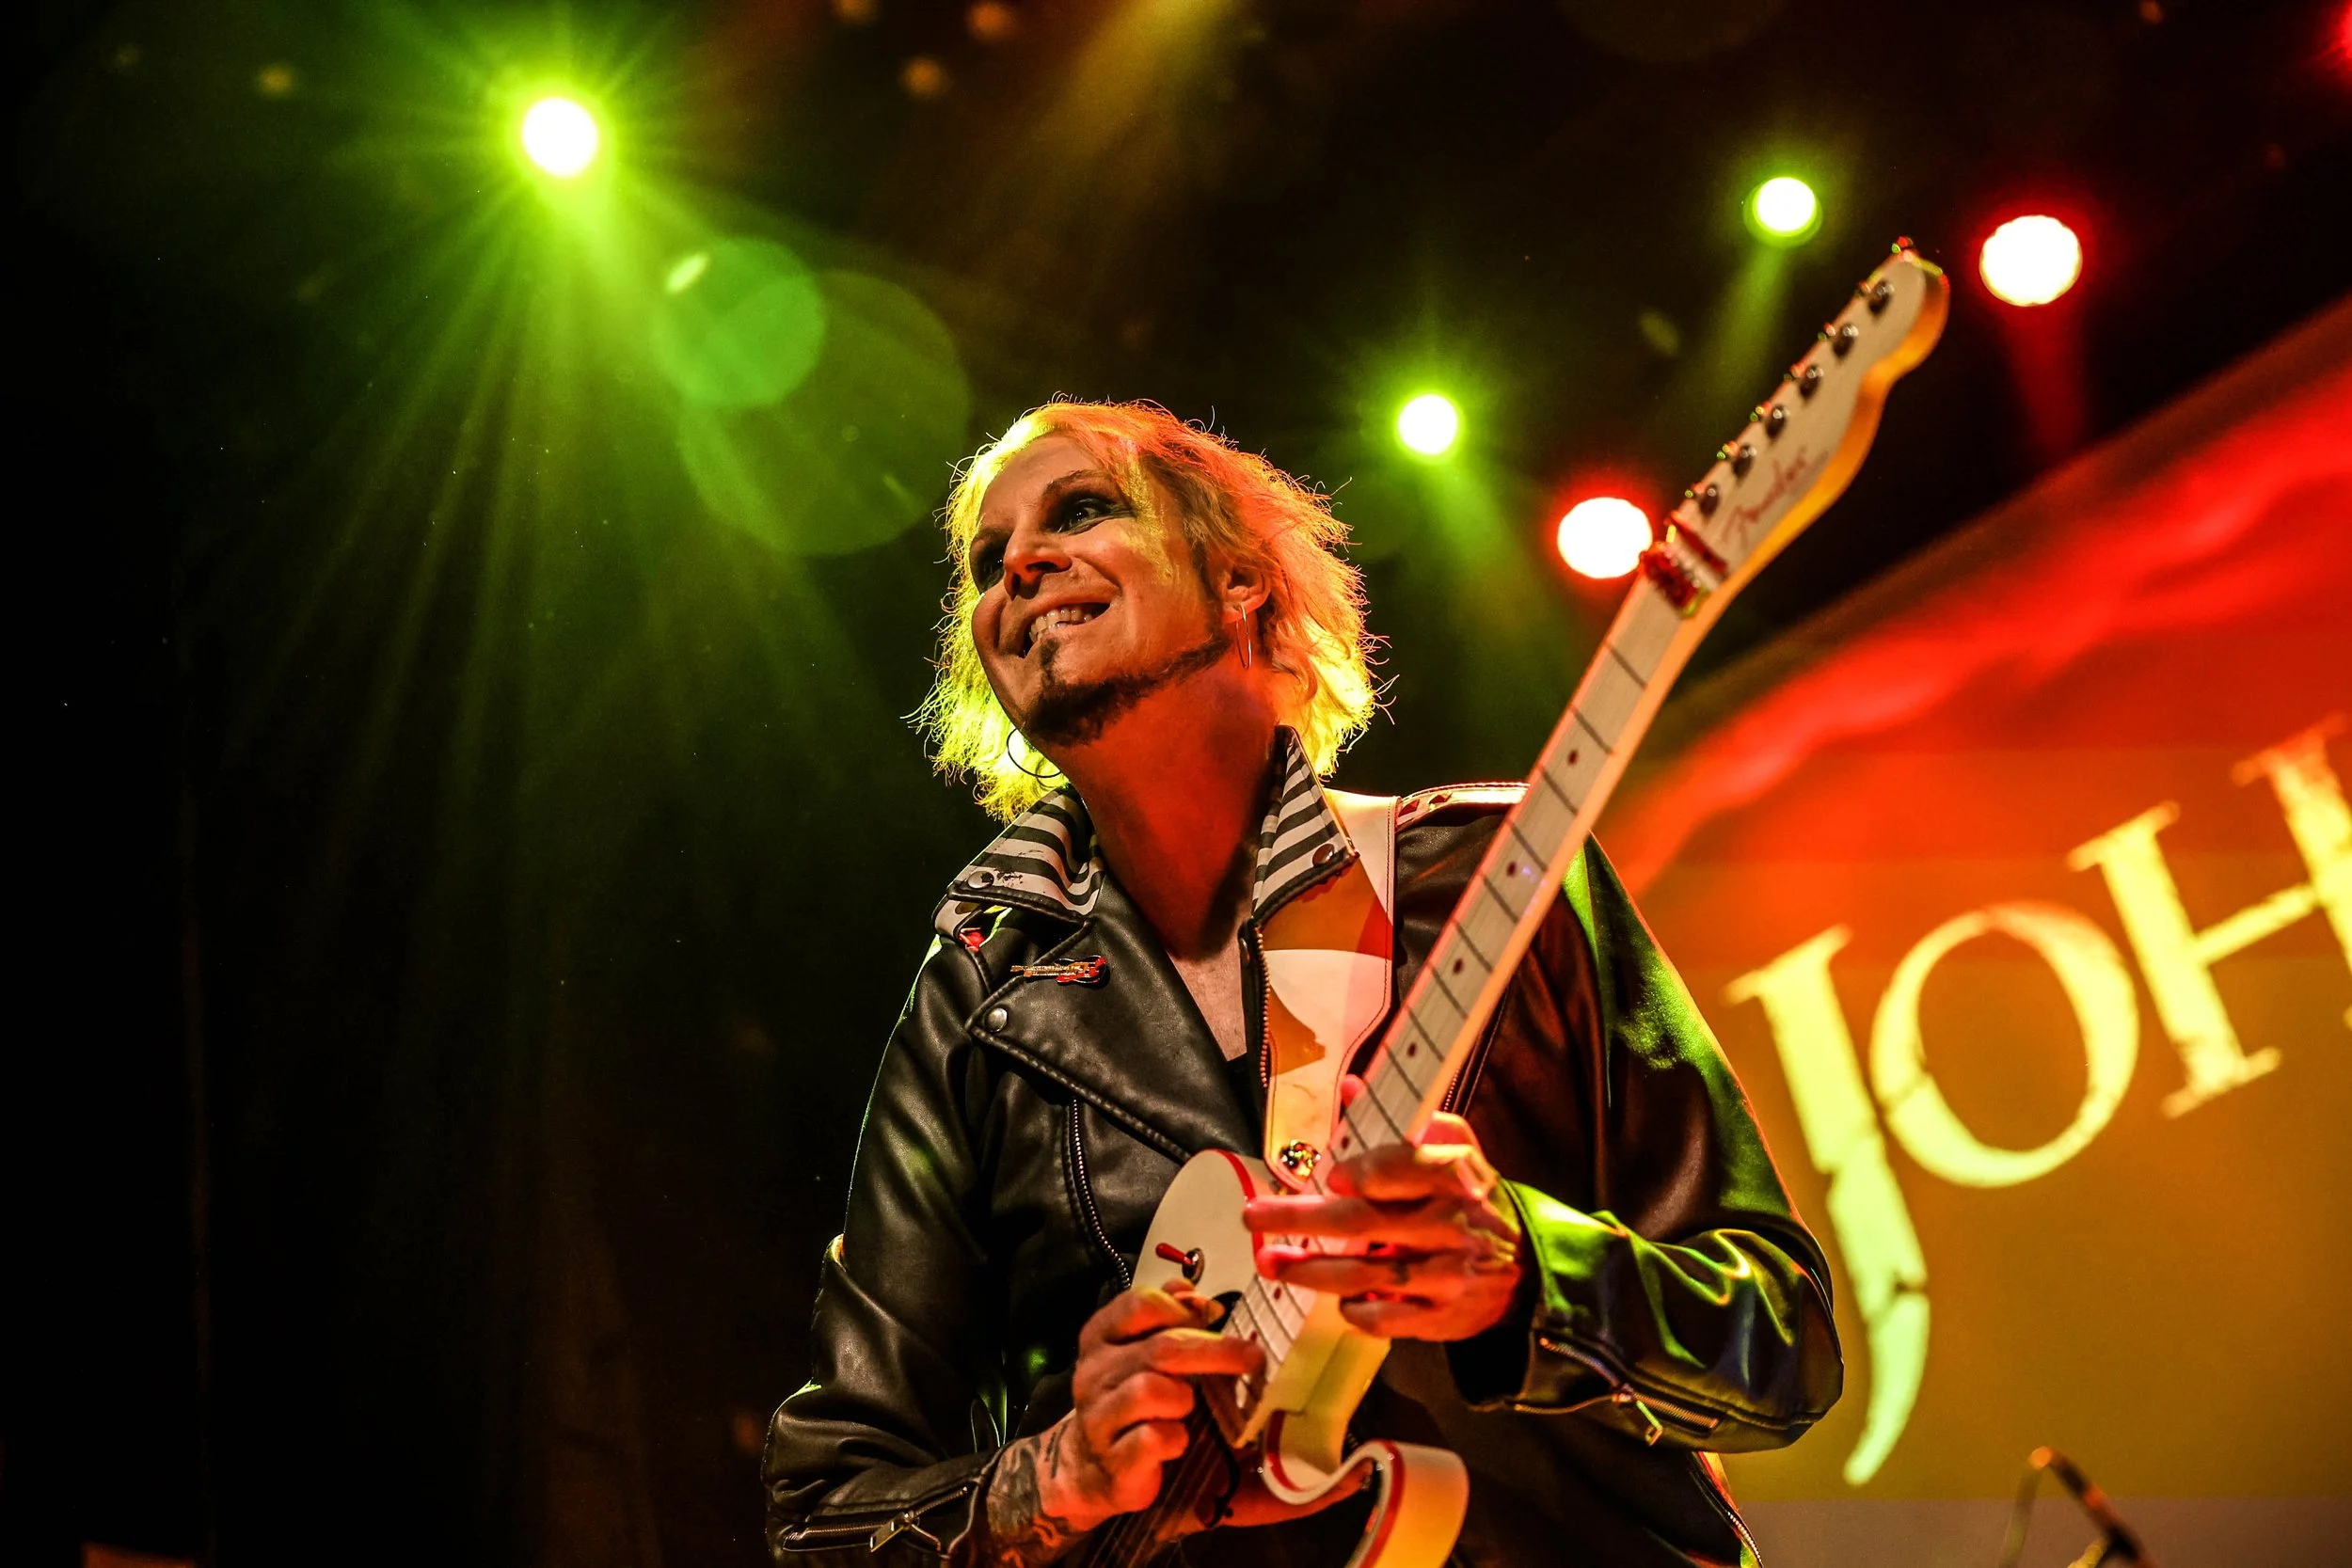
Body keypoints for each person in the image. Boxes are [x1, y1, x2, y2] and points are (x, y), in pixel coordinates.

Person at [763, 402, 1841, 1567]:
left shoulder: (1493, 874)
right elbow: (828, 1507)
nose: (1018, 563)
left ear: (1240, 580)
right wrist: (1055, 1476)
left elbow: (1781, 1347)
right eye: (988, 559)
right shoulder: (977, 1007)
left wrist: (1533, 1273)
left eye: (1081, 510)